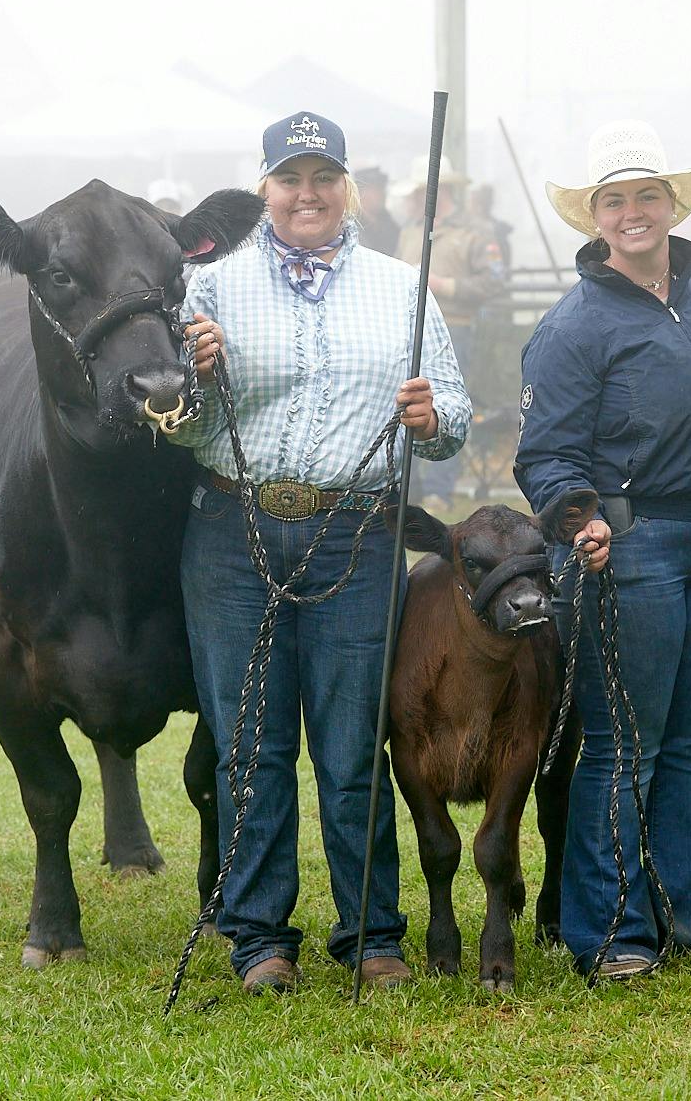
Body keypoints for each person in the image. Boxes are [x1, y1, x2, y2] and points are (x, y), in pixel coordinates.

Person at [172, 110, 472, 995]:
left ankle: (372, 935)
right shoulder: (211, 290)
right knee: (250, 744)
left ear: (350, 189)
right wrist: (199, 380)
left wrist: (432, 416)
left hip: (357, 529)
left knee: (351, 745)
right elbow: (176, 427)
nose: (308, 194)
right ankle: (259, 937)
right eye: (289, 178)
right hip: (235, 529)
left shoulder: (403, 286)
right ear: (263, 188)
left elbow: (454, 416)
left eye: (323, 178)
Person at [516, 118, 691, 981]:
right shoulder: (572, 325)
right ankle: (615, 931)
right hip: (630, 544)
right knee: (628, 742)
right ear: (596, 217)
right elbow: (544, 455)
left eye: (648, 195)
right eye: (615, 199)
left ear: (673, 204)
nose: (635, 212)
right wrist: (574, 513)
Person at [399, 165, 507, 509]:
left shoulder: (476, 232)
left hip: (455, 327)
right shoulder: (410, 230)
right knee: (408, 407)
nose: (415, 200)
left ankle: (439, 490)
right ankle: (408, 489)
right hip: (406, 330)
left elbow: (494, 280)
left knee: (445, 405)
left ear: (439, 193)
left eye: (420, 193)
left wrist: (444, 286)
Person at [353, 164, 399, 255]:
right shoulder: (351, 227)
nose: (383, 194)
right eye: (377, 189)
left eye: (382, 188)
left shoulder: (389, 223)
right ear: (362, 193)